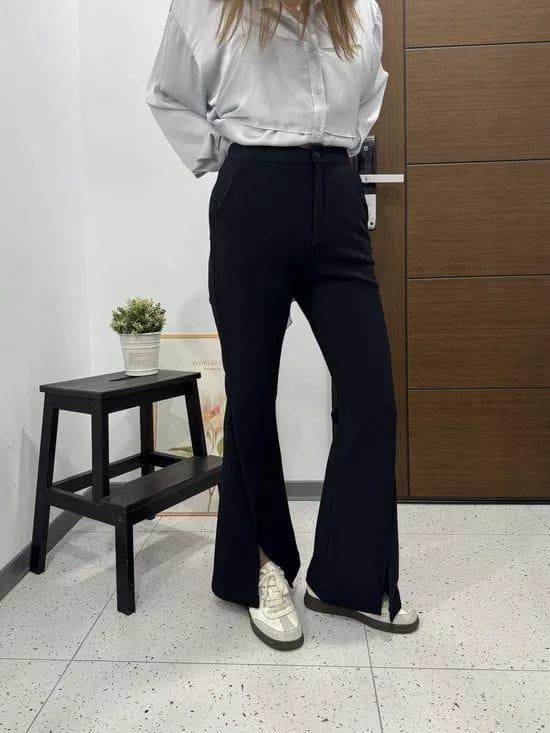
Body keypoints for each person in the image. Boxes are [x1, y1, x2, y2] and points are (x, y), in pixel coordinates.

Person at [147, 0, 419, 651]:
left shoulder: (361, 8)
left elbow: (370, 95)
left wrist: (331, 152)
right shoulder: (208, 6)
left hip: (338, 195)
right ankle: (263, 570)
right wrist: (231, 155)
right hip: (254, 196)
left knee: (371, 396)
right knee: (252, 397)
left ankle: (348, 580)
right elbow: (168, 94)